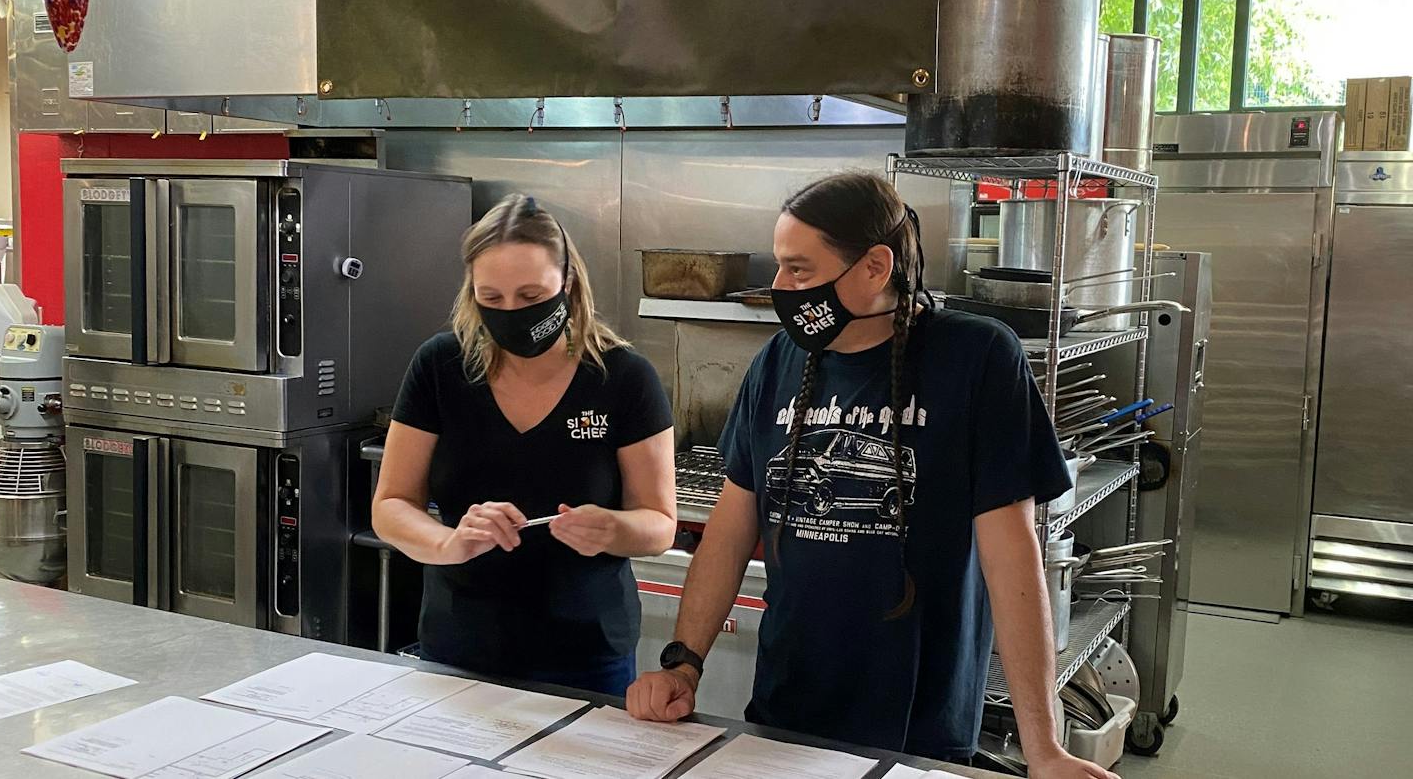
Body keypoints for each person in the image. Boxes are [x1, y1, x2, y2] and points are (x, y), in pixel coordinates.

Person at [627, 173, 1115, 779]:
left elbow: (1012, 556)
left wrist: (1042, 748)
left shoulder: (977, 359)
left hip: (918, 723)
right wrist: (683, 663)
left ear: (875, 267)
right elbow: (727, 535)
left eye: (799, 270)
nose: (779, 288)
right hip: (787, 708)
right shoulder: (777, 361)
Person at [373, 193, 677, 697]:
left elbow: (659, 524)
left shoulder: (624, 377)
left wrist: (612, 528)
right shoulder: (440, 366)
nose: (510, 312)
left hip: (587, 655)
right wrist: (449, 543)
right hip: (459, 647)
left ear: (568, 283)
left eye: (531, 297)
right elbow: (390, 505)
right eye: (491, 299)